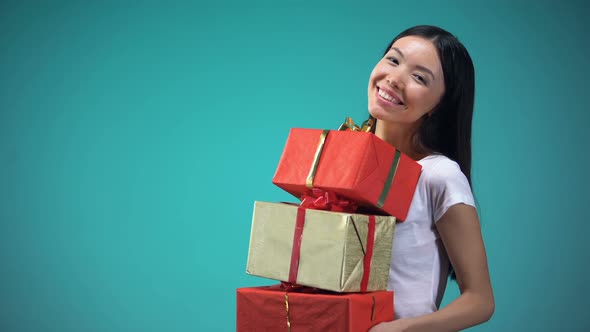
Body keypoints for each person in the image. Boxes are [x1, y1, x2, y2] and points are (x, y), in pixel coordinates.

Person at [366, 25, 495, 331]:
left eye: (419, 77)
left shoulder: (437, 175)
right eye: (393, 60)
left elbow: (480, 300)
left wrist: (401, 329)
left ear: (440, 104)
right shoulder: (338, 160)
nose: (394, 79)